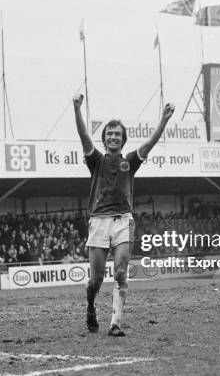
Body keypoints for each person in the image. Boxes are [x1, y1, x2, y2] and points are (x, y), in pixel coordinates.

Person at [73, 94, 175, 336]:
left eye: (117, 134)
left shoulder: (130, 161)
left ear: (122, 139)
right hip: (99, 221)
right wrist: (77, 109)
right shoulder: (96, 160)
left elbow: (149, 144)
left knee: (120, 271)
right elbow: (83, 136)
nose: (113, 137)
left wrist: (163, 121)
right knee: (95, 280)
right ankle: (90, 306)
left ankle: (115, 323)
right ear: (104, 138)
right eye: (109, 133)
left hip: (123, 220)